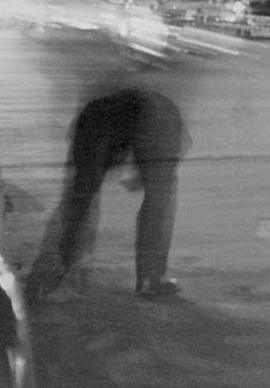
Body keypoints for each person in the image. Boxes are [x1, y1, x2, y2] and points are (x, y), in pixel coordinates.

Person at [29, 76, 190, 301]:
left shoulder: (105, 107)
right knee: (159, 200)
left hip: (100, 118)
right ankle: (150, 279)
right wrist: (146, 174)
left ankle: (52, 272)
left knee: (80, 196)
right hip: (133, 121)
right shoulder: (165, 119)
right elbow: (161, 179)